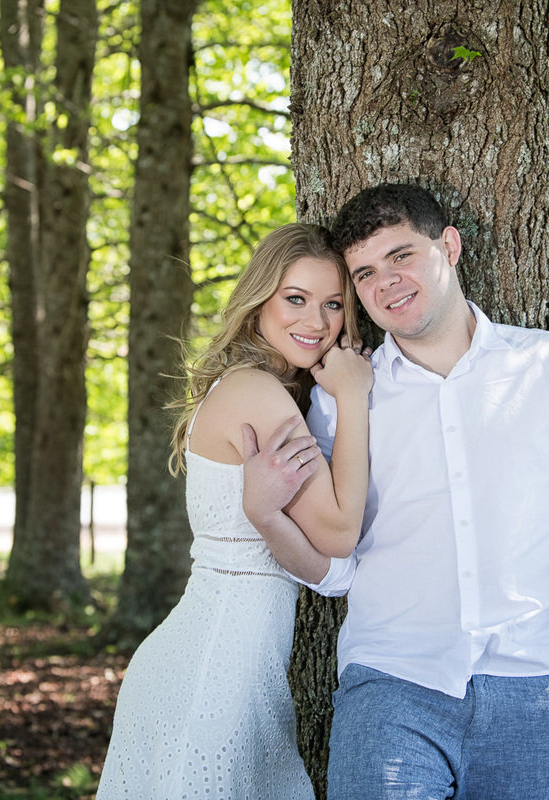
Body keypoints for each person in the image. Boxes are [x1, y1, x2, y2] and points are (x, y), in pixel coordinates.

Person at [242, 184, 549, 800]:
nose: (386, 282)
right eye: (365, 272)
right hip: (391, 687)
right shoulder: (342, 397)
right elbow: (335, 565)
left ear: (448, 247)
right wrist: (267, 519)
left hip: (534, 689)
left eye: (401, 256)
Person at [97, 223, 375, 799]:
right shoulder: (255, 391)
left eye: (333, 305)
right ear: (258, 304)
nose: (317, 323)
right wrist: (353, 397)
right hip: (213, 671)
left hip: (232, 666)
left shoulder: (258, 387)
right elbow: (342, 531)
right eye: (295, 299)